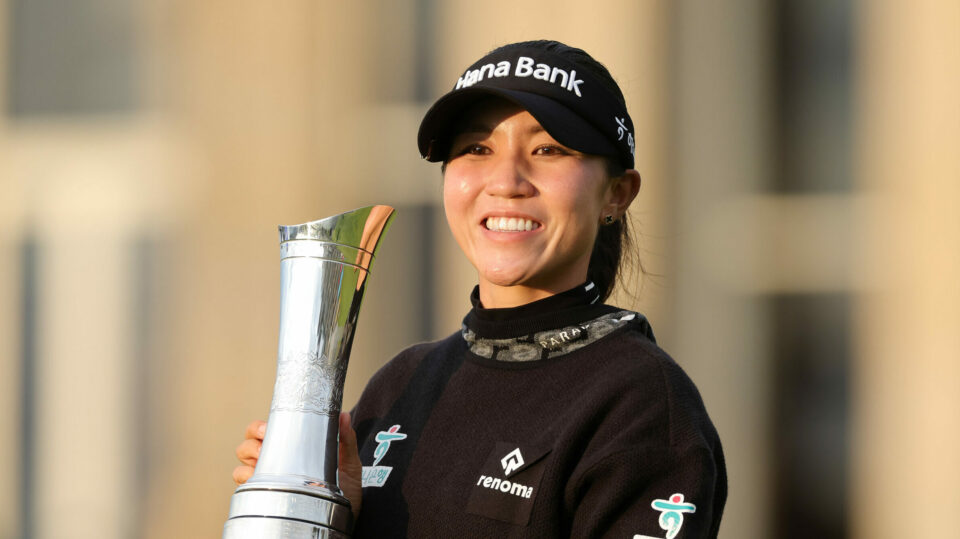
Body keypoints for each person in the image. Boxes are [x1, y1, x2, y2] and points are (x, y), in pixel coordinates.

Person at [234, 40, 727, 538]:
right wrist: (325, 515)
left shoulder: (640, 402)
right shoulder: (402, 384)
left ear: (617, 193)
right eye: (477, 149)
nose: (507, 181)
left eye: (548, 149)